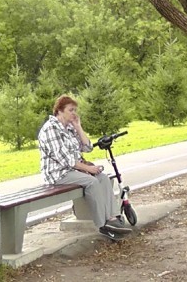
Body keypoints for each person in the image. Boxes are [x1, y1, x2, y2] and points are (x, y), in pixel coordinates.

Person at [37, 95, 131, 240]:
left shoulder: (69, 128)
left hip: (75, 170)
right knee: (92, 181)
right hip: (57, 173)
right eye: (70, 110)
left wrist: (78, 127)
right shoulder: (50, 129)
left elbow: (87, 148)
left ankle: (113, 218)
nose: (74, 113)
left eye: (75, 110)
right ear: (59, 111)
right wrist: (89, 170)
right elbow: (65, 159)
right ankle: (102, 224)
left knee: (103, 178)